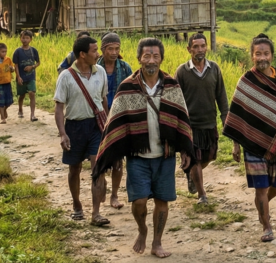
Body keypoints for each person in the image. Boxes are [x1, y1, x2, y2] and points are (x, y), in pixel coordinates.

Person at [94, 38, 195, 259]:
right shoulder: (127, 86)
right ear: (139, 58)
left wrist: (186, 149)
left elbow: (181, 118)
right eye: (147, 56)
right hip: (138, 156)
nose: (151, 60)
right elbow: (116, 122)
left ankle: (157, 242)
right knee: (138, 201)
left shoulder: (171, 85)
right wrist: (115, 153)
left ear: (162, 58)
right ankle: (142, 229)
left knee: (162, 200)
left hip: (164, 154)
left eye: (155, 56)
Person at [224, 34, 276, 243]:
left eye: (266, 53)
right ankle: (266, 225)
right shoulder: (246, 81)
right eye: (258, 54)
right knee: (261, 186)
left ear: (272, 55)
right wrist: (236, 145)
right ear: (252, 56)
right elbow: (237, 114)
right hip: (252, 142)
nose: (262, 57)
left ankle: (261, 207)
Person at [53, 35, 110, 227]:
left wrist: (108, 124)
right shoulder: (66, 76)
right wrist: (63, 133)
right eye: (94, 51)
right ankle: (77, 204)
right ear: (82, 54)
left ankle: (96, 213)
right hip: (75, 127)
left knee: (97, 167)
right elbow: (59, 107)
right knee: (74, 168)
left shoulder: (100, 72)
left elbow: (103, 100)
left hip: (96, 126)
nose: (98, 54)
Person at [175, 33, 229, 205]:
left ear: (206, 47)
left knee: (209, 157)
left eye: (202, 46)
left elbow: (221, 95)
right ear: (189, 49)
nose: (199, 50)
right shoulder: (182, 71)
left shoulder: (214, 69)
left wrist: (225, 116)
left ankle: (191, 174)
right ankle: (202, 194)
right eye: (195, 46)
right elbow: (176, 99)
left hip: (209, 122)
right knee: (196, 159)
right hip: (190, 125)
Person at [97, 32, 133, 210]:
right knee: (99, 156)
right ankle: (101, 185)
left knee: (118, 159)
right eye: (110, 48)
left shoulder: (125, 68)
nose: (113, 52)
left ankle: (114, 195)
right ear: (102, 50)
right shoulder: (95, 68)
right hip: (98, 118)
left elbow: (134, 91)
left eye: (116, 48)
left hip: (119, 118)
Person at [13, 30, 41, 121]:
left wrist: (32, 67)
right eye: (23, 38)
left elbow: (38, 63)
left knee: (32, 93)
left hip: (31, 76)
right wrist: (18, 77)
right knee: (22, 95)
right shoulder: (17, 51)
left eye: (27, 38)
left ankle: (32, 115)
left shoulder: (34, 51)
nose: (25, 40)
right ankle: (20, 109)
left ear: (31, 39)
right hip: (21, 77)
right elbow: (16, 65)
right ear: (20, 39)